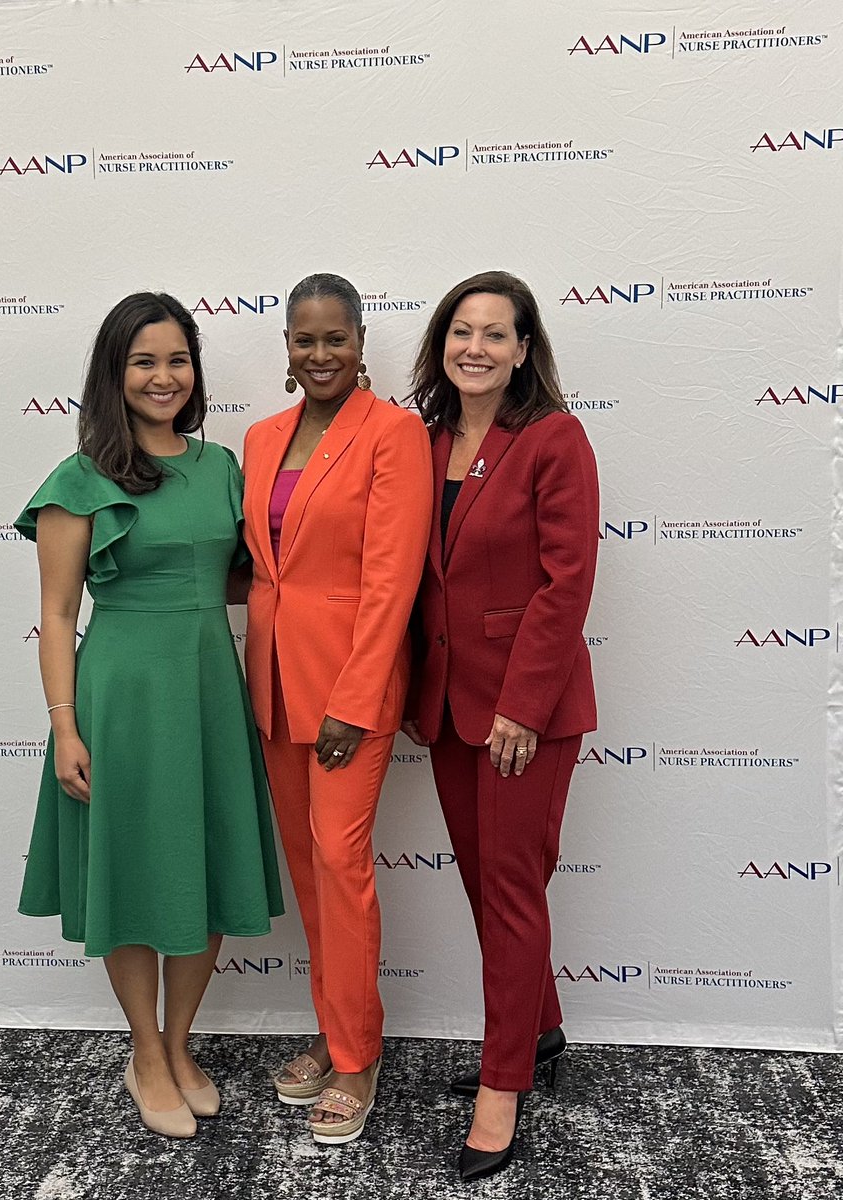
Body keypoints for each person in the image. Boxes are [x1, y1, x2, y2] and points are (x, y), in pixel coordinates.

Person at [14, 293, 283, 1140]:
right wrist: (65, 725)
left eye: (177, 359)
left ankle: (175, 1044)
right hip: (121, 695)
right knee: (132, 875)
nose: (163, 377)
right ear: (114, 373)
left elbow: (250, 574)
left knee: (203, 870)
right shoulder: (80, 478)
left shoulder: (221, 466)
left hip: (209, 686)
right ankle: (144, 1052)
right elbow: (58, 614)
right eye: (143, 362)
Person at [402, 271, 598, 1181]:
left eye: (495, 334)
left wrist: (523, 704)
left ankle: (503, 1082)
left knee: (513, 891)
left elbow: (566, 585)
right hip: (447, 705)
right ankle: (543, 1029)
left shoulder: (554, 439)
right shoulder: (426, 440)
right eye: (460, 332)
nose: (474, 347)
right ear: (442, 344)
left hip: (525, 711)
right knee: (490, 888)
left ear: (524, 349)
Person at [241, 273, 433, 1145]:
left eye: (335, 340)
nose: (319, 355)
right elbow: (260, 567)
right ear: (285, 346)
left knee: (342, 867)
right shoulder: (259, 437)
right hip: (274, 688)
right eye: (303, 340)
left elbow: (391, 584)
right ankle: (332, 1030)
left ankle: (359, 1058)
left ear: (362, 343)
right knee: (309, 876)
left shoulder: (393, 434)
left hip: (350, 695)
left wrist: (355, 703)